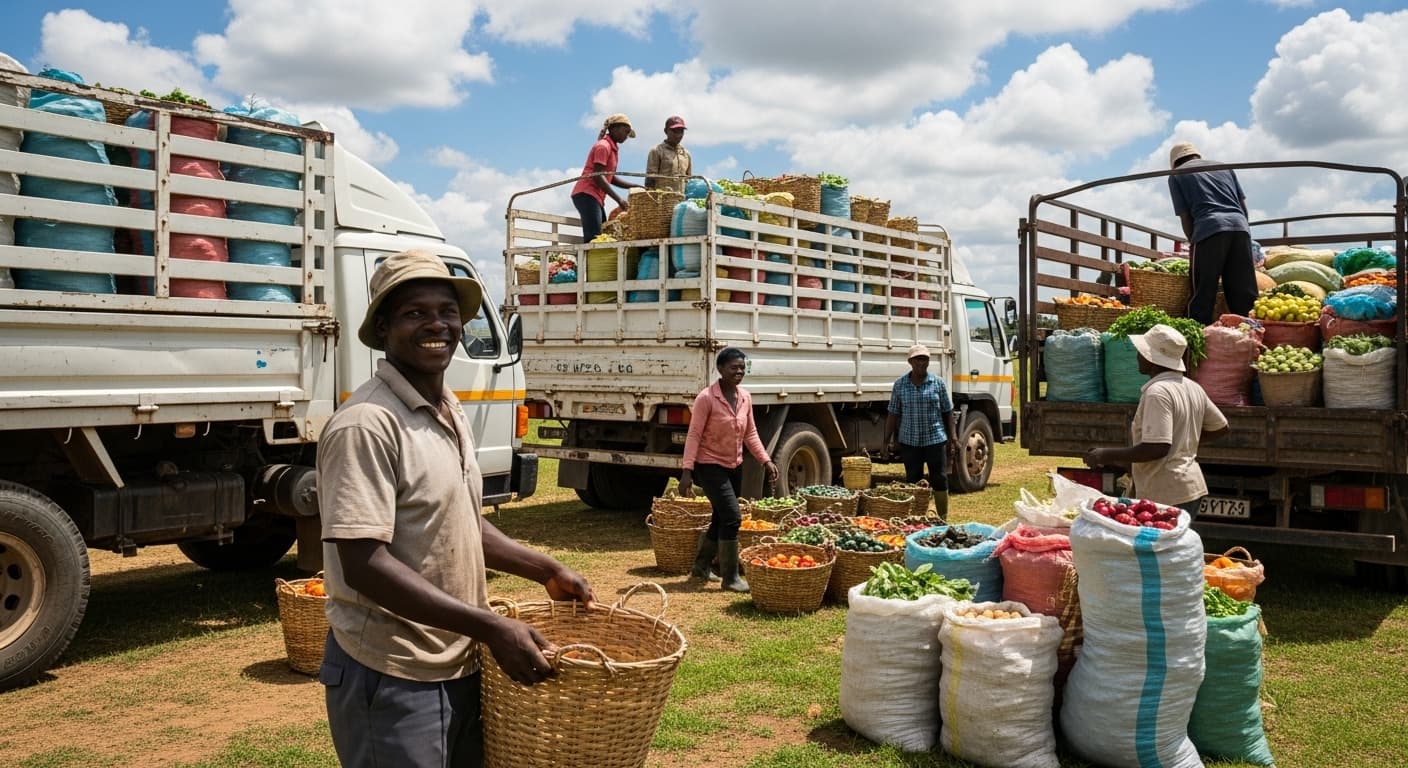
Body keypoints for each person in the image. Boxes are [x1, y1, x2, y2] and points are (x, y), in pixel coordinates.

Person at [317, 249, 596, 768]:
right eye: (415, 313)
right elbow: (363, 565)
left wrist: (545, 569)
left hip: (459, 662)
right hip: (394, 671)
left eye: (447, 311)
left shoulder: (448, 411)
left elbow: (458, 523)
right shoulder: (367, 424)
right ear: (383, 327)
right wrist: (491, 627)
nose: (437, 325)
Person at [1082, 324, 1229, 513]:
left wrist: (1105, 454)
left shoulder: (1157, 392)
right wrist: (1184, 444)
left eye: (1141, 353)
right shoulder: (1193, 387)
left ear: (1152, 359)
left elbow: (1157, 448)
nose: (1137, 357)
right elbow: (1221, 427)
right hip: (1189, 488)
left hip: (1166, 493)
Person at [679, 347, 779, 592]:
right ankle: (730, 577)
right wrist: (686, 471)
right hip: (709, 465)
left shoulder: (745, 397)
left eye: (743, 367)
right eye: (734, 367)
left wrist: (766, 460)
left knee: (721, 517)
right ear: (720, 369)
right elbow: (693, 435)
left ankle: (701, 566)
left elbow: (750, 433)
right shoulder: (706, 398)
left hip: (734, 465)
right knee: (733, 517)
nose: (739, 372)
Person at [1168, 141, 1258, 324]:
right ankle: (1252, 334)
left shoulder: (1176, 175)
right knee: (1243, 292)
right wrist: (1242, 230)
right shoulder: (1224, 168)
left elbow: (1185, 217)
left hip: (1209, 228)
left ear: (1175, 162)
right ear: (1197, 155)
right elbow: (1243, 207)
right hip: (1240, 227)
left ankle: (1198, 338)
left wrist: (1195, 241)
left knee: (1203, 291)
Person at [882, 344, 956, 517]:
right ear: (910, 362)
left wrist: (953, 437)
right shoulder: (900, 385)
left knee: (939, 478)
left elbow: (948, 411)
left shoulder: (937, 383)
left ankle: (942, 518)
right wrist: (886, 441)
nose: (921, 363)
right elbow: (893, 413)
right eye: (918, 360)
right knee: (913, 480)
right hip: (910, 441)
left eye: (925, 360)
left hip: (935, 439)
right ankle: (916, 517)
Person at [570, 113, 641, 242]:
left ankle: (591, 260)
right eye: (625, 132)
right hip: (586, 194)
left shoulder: (612, 149)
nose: (626, 136)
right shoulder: (603, 146)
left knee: (602, 234)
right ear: (614, 128)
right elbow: (598, 176)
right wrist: (619, 199)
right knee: (595, 237)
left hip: (595, 197)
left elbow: (610, 178)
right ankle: (587, 262)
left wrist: (634, 186)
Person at [644, 115, 692, 194]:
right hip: (662, 199)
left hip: (681, 200)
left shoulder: (686, 154)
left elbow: (689, 181)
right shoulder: (657, 151)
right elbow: (650, 180)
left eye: (681, 131)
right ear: (666, 131)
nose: (678, 135)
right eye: (675, 131)